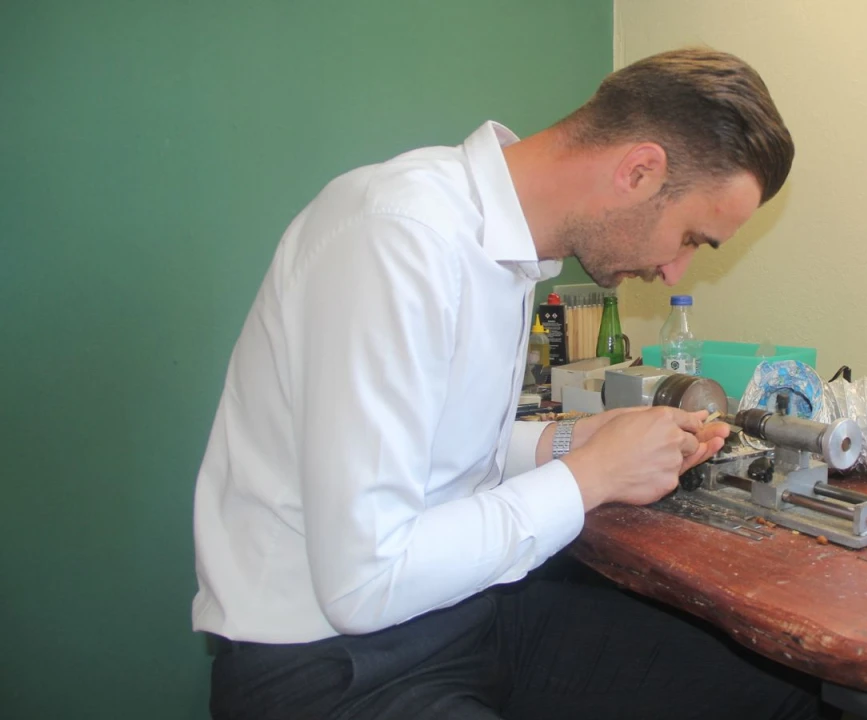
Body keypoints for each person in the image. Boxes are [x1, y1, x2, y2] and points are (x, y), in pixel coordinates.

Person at [192, 47, 814, 719]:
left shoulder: (506, 250)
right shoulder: (398, 238)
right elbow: (364, 582)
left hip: (461, 617)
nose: (675, 273)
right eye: (691, 237)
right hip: (326, 666)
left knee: (783, 697)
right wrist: (590, 477)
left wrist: (571, 442)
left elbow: (430, 452)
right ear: (639, 171)